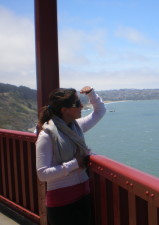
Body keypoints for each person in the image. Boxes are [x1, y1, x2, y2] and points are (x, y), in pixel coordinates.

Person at [36, 86, 106, 225]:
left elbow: (100, 111)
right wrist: (75, 164)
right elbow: (42, 174)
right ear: (64, 109)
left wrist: (91, 94)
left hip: (83, 195)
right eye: (77, 104)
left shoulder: (76, 127)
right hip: (62, 203)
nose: (81, 106)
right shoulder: (47, 135)